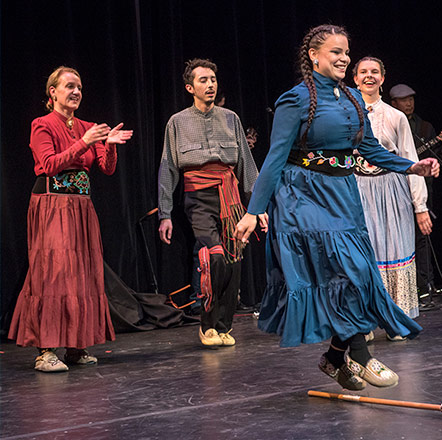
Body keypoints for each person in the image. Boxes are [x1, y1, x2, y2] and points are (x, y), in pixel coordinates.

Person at [234, 24, 439, 390]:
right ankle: (361, 357)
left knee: (357, 274)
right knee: (346, 272)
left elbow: (370, 149)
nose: (344, 58)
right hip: (303, 197)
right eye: (336, 52)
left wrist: (411, 166)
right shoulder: (294, 100)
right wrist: (254, 210)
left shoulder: (353, 98)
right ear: (314, 56)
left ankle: (333, 358)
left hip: (343, 194)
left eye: (347, 52)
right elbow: (275, 158)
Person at [9, 66, 133, 372]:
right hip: (52, 204)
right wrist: (86, 142)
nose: (76, 91)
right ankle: (46, 350)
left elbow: (105, 168)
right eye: (69, 86)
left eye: (79, 86)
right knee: (54, 273)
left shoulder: (87, 126)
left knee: (82, 273)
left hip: (80, 208)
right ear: (53, 92)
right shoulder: (43, 124)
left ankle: (76, 347)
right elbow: (49, 164)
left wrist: (111, 146)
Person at [158, 58, 263, 348]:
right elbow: (167, 168)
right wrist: (165, 214)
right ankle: (206, 325)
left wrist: (257, 207)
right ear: (190, 87)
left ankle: (223, 325)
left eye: (213, 79)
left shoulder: (231, 118)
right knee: (212, 256)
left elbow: (246, 165)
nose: (210, 85)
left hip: (229, 196)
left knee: (233, 259)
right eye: (203, 80)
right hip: (198, 196)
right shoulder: (177, 122)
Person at [352, 57, 427, 341]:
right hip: (358, 189)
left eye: (374, 72)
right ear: (355, 78)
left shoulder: (396, 117)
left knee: (395, 248)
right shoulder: (346, 113)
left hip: (391, 189)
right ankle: (364, 321)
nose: (369, 76)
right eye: (363, 72)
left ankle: (396, 318)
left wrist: (419, 205)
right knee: (362, 254)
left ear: (383, 78)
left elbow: (410, 159)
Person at [390, 84, 442, 306]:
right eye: (404, 100)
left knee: (422, 240)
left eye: (411, 99)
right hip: (396, 189)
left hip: (421, 190)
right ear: (393, 103)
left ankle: (426, 287)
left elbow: (437, 159)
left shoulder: (424, 127)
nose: (409, 103)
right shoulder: (391, 121)